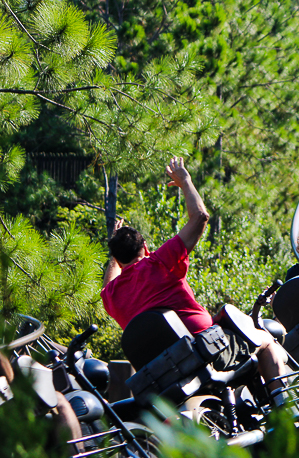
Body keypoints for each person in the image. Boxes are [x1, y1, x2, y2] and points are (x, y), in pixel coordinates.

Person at [101, 157, 287, 392]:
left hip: (163, 373)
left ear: (116, 259)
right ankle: (283, 412)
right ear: (146, 248)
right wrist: (185, 181)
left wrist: (116, 246)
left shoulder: (111, 296)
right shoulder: (159, 262)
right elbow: (200, 216)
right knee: (266, 341)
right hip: (205, 352)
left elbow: (111, 279)